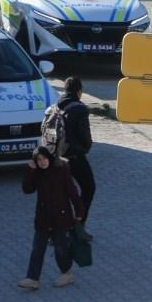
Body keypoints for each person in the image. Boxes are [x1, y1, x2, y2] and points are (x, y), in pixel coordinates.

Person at [19, 147, 85, 289]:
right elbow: (27, 189)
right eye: (39, 160)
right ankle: (33, 278)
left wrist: (79, 211)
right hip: (43, 218)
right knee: (37, 249)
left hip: (60, 218)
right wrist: (29, 171)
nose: (42, 162)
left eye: (44, 159)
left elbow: (72, 191)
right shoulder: (36, 173)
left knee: (61, 250)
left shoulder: (61, 171)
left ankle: (66, 274)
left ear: (49, 157)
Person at [54, 77, 95, 232]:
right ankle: (78, 226)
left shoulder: (56, 105)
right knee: (89, 187)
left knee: (61, 192)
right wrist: (84, 149)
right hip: (74, 156)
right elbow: (85, 136)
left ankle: (57, 229)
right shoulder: (79, 108)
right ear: (79, 91)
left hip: (56, 156)